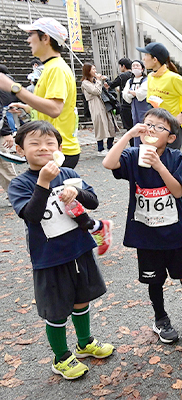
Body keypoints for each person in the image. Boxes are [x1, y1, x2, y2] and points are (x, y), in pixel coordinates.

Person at [8, 121, 114, 380]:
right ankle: (61, 357)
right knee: (55, 310)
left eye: (49, 143)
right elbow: (32, 215)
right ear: (21, 150)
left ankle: (84, 343)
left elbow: (94, 200)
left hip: (79, 249)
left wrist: (76, 192)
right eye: (34, 143)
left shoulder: (67, 174)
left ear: (59, 147)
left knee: (82, 298)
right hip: (49, 258)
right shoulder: (19, 184)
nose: (43, 148)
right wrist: (43, 182)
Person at [102, 108, 182, 344]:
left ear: (171, 138)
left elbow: (178, 191)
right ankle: (161, 319)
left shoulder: (175, 157)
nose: (151, 129)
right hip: (146, 233)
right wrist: (128, 136)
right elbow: (108, 163)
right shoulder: (133, 155)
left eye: (159, 127)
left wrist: (158, 165)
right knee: (154, 279)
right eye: (147, 124)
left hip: (175, 231)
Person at [0, 18, 81, 168]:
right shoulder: (50, 67)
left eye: (31, 34)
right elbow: (53, 108)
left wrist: (14, 88)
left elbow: (54, 109)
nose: (28, 40)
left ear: (45, 38)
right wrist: (25, 108)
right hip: (53, 148)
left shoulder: (56, 68)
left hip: (57, 150)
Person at [136, 42, 182, 149]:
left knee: (171, 161)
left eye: (146, 55)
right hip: (157, 127)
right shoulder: (150, 77)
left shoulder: (173, 78)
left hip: (173, 127)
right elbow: (150, 101)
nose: (143, 59)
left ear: (155, 60)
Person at [81, 63, 117, 156]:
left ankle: (110, 146)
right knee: (100, 126)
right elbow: (96, 91)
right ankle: (100, 149)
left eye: (95, 69)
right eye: (93, 69)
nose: (95, 71)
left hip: (105, 104)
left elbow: (101, 91)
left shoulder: (94, 81)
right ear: (88, 71)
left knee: (111, 125)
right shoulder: (85, 83)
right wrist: (98, 81)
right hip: (95, 105)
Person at [122, 60, 152, 146]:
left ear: (142, 68)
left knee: (146, 125)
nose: (135, 67)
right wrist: (133, 93)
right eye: (133, 66)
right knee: (136, 126)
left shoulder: (146, 80)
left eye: (137, 66)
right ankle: (136, 147)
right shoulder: (130, 81)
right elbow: (125, 94)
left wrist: (132, 92)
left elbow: (142, 93)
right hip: (134, 107)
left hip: (145, 106)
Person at [105, 57, 134, 135]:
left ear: (123, 66)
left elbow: (111, 85)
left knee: (129, 127)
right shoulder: (135, 75)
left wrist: (106, 79)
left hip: (125, 104)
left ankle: (132, 144)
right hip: (135, 103)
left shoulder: (122, 76)